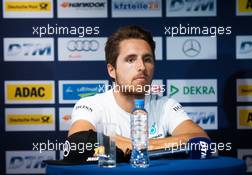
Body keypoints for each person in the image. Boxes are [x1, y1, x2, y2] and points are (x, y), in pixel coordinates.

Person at [68, 25, 209, 154]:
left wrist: (139, 146)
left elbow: (200, 139)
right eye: (131, 59)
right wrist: (155, 146)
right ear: (112, 70)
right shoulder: (91, 105)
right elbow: (78, 140)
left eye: (147, 59)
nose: (141, 66)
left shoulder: (165, 105)